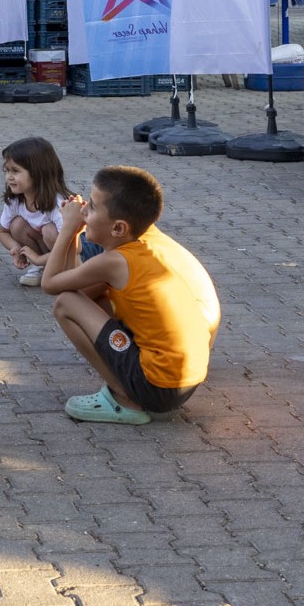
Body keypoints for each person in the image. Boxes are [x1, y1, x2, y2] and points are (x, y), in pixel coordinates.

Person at [42, 165, 220, 425]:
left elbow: (51, 285)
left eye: (91, 207)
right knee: (87, 299)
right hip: (184, 383)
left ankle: (124, 400)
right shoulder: (144, 252)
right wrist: (77, 235)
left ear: (118, 229)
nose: (82, 211)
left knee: (65, 305)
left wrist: (68, 229)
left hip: (158, 387)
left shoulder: (114, 262)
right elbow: (73, 285)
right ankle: (128, 390)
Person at [0, 137, 73, 288]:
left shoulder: (57, 204)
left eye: (16, 171)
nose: (9, 177)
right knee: (17, 225)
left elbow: (72, 249)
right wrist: (15, 247)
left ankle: (62, 271)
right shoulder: (15, 200)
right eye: (7, 171)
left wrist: (38, 258)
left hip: (73, 255)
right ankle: (43, 268)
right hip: (51, 253)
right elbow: (3, 232)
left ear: (38, 173)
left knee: (49, 230)